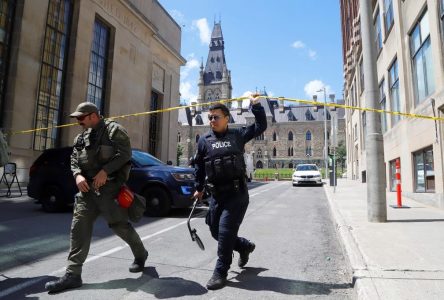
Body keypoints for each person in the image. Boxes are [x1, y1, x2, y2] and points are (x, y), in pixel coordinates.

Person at [45, 102, 148, 293]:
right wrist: (77, 175)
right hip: (86, 193)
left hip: (110, 190)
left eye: (81, 118)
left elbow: (126, 154)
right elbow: (74, 158)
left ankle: (141, 254)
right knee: (79, 228)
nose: (78, 122)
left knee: (120, 227)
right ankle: (73, 274)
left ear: (93, 116)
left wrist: (105, 171)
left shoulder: (114, 130)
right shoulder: (81, 137)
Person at [193, 94, 267, 290]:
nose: (212, 121)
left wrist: (256, 105)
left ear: (227, 118)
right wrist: (198, 188)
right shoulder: (204, 141)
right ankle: (244, 246)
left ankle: (220, 271)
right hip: (216, 195)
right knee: (216, 232)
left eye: (216, 117)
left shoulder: (237, 135)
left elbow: (261, 126)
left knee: (225, 232)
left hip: (237, 194)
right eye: (210, 117)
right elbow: (199, 166)